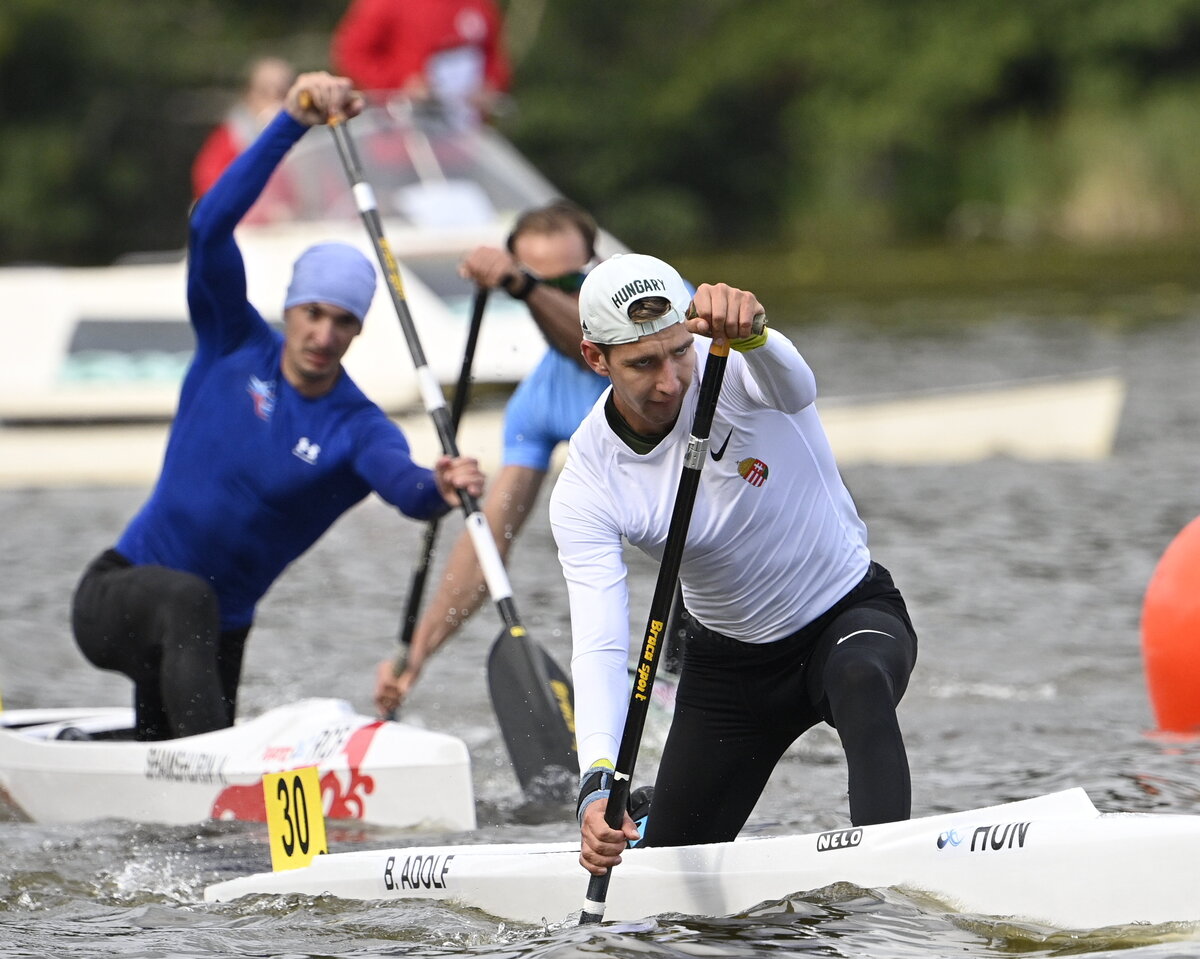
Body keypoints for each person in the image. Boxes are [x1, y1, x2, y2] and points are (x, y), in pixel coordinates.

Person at [71, 72, 485, 742]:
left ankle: (180, 788)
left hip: (214, 637)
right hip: (117, 597)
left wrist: (441, 485)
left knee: (177, 765)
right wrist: (291, 121)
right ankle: (212, 768)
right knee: (188, 600)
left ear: (357, 331)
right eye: (313, 313)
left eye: (342, 322)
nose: (323, 335)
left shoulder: (356, 427)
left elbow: (407, 488)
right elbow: (209, 225)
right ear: (289, 308)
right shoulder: (232, 340)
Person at [549, 253, 919, 874]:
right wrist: (595, 781)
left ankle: (893, 884)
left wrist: (758, 335)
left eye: (677, 353)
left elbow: (798, 388)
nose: (670, 382)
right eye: (643, 364)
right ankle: (649, 810)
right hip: (729, 674)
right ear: (596, 358)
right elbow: (603, 647)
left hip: (849, 617)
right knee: (669, 869)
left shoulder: (736, 365)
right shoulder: (588, 484)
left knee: (859, 676)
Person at [373, 199, 609, 714]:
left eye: (571, 284)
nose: (552, 295)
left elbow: (603, 342)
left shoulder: (657, 310)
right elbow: (488, 540)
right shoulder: (536, 405)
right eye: (536, 285)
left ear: (596, 268)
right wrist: (419, 652)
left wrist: (524, 286)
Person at [331, 0, 511, 129]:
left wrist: (490, 85)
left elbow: (494, 55)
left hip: (465, 140)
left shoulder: (481, 5)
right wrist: (400, 84)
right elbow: (351, 53)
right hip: (401, 142)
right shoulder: (386, 4)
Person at [191, 56, 295, 201]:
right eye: (264, 92)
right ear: (249, 94)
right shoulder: (232, 137)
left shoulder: (303, 137)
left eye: (282, 93)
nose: (274, 100)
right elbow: (209, 189)